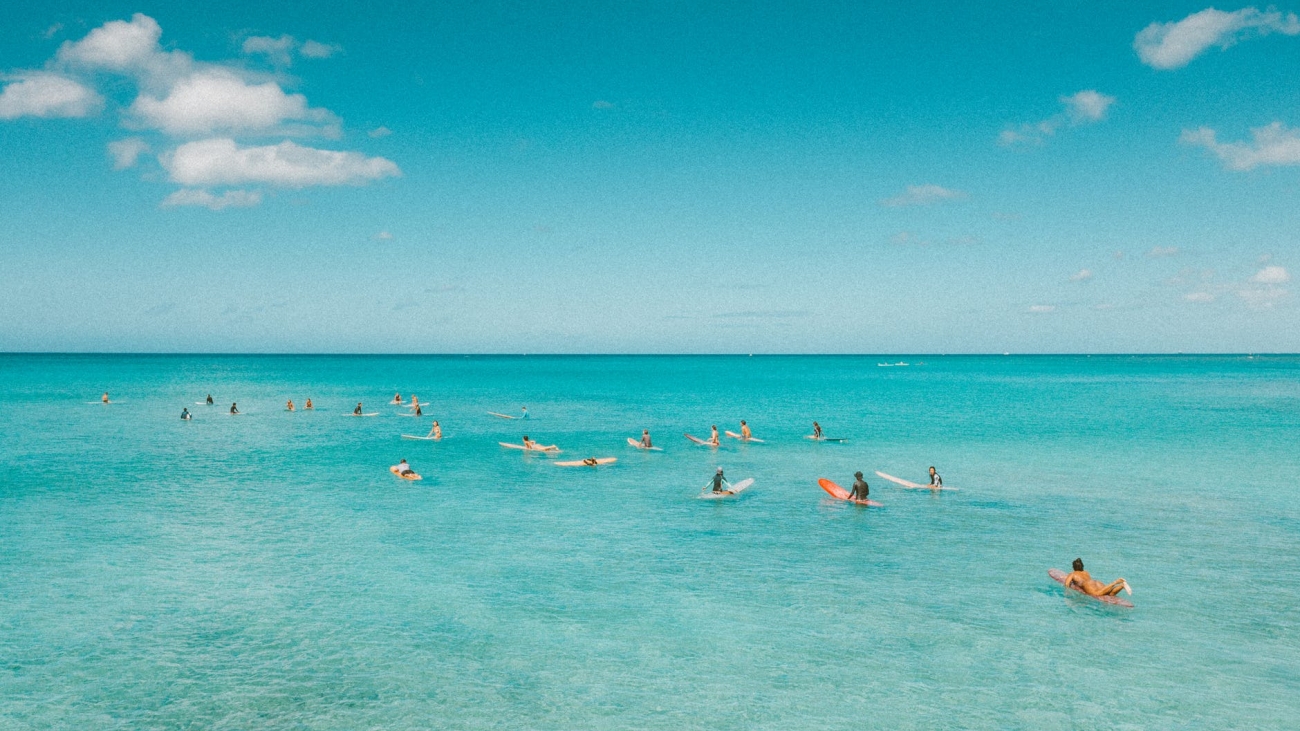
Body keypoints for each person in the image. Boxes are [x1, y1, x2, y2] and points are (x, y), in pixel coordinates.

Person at [1062, 558, 1131, 598]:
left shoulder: (1073, 574)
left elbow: (1066, 585)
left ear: (1073, 567)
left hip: (1087, 584)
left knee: (1096, 594)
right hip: (1095, 582)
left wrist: (1068, 594)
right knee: (1110, 594)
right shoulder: (1086, 572)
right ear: (1082, 566)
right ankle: (1122, 585)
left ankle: (1115, 582)